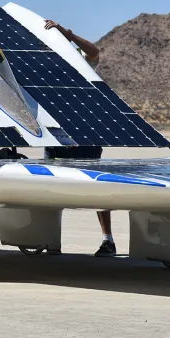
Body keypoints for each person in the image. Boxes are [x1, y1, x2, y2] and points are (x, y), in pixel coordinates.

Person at [43, 20, 114, 257]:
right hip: (56, 136)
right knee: (49, 188)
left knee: (96, 187)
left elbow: (95, 52)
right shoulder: (44, 67)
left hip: (86, 134)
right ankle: (50, 239)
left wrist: (67, 33)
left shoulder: (80, 61)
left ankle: (108, 240)